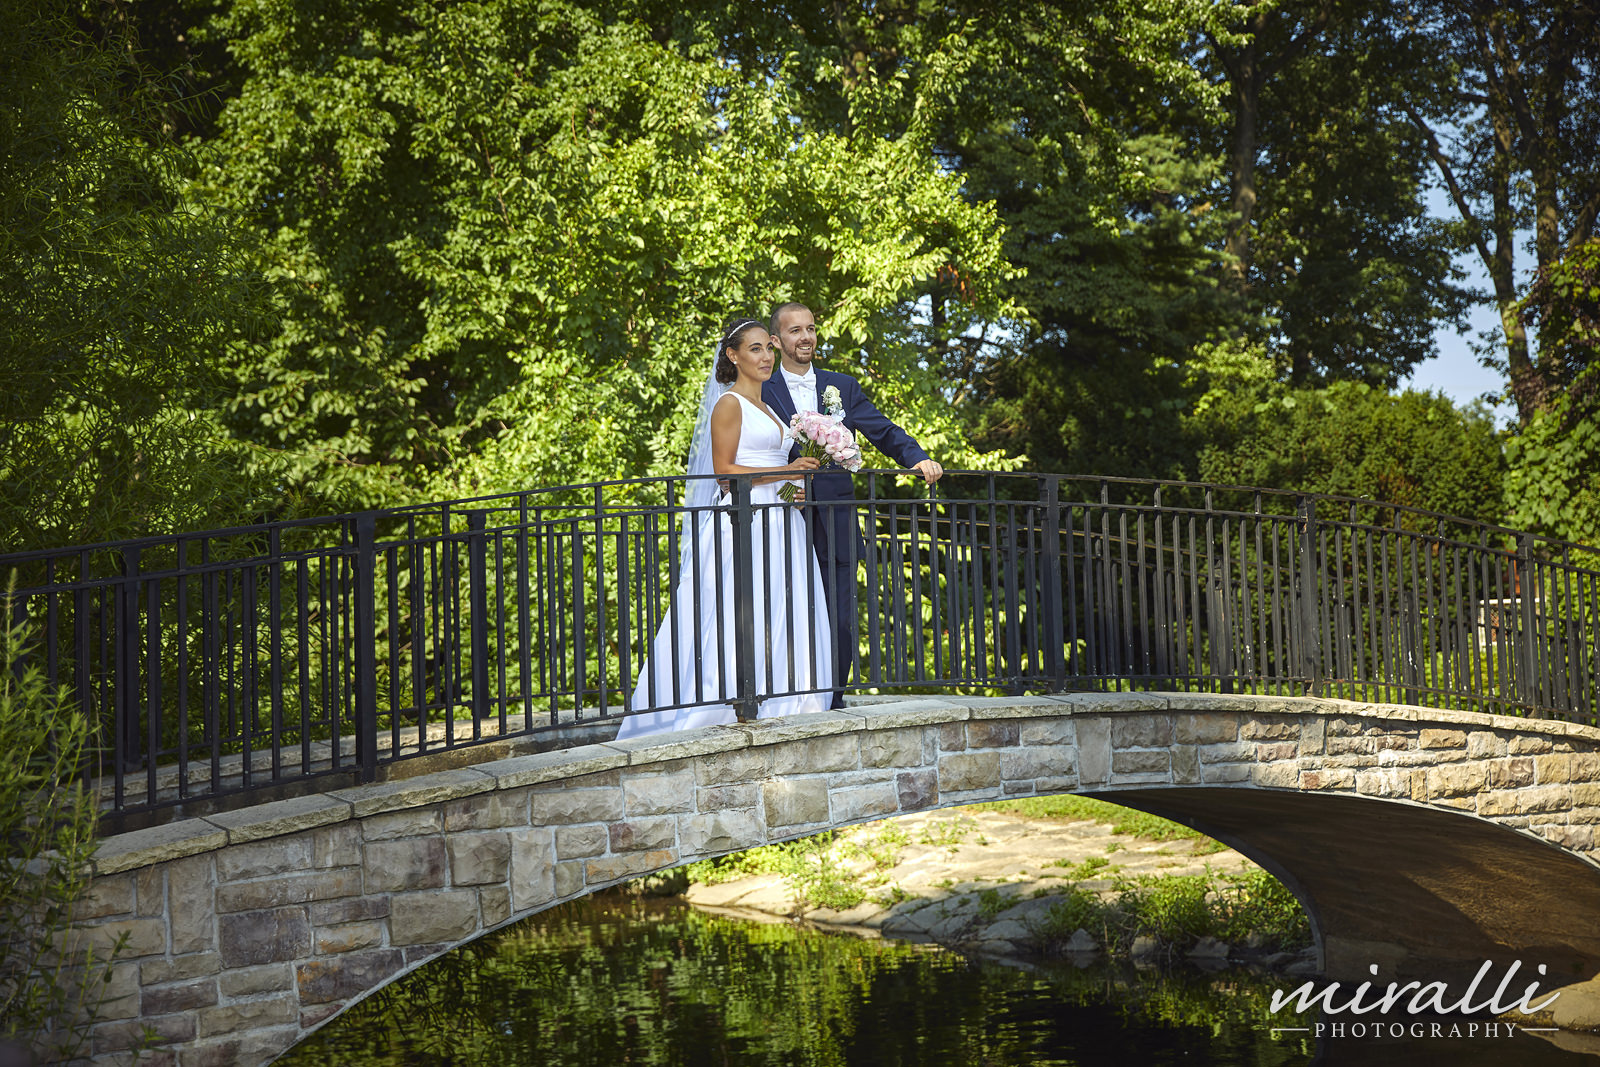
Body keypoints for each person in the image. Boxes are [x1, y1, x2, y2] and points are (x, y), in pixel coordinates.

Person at [616, 318, 833, 738]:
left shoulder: (769, 408)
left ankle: (785, 696)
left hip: (778, 515)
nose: (767, 356)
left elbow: (769, 467)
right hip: (743, 519)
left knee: (780, 604)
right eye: (755, 349)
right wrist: (784, 470)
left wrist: (793, 485)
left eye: (769, 348)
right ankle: (723, 700)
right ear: (733, 356)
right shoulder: (729, 404)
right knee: (736, 607)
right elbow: (724, 472)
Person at [762, 301, 943, 709]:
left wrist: (916, 457)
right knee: (782, 611)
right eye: (795, 331)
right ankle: (781, 696)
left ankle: (833, 697)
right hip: (783, 517)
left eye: (810, 329)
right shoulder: (760, 388)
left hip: (837, 517)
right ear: (776, 340)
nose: (806, 337)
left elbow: (881, 428)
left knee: (840, 616)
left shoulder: (840, 385)